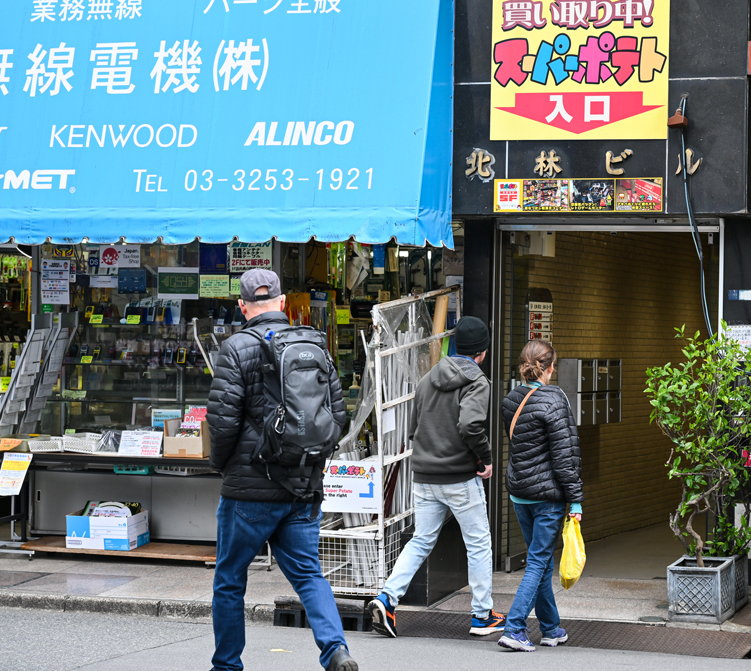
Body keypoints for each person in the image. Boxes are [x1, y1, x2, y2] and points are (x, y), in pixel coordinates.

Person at [207, 269, 356, 671]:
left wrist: (222, 466)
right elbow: (337, 414)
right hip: (302, 486)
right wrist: (309, 459)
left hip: (249, 491)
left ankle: (227, 666)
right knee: (309, 575)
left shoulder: (236, 348)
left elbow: (222, 422)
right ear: (284, 303)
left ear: (242, 307)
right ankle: (335, 649)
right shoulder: (314, 344)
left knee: (230, 580)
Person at [367, 315, 505, 638]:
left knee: (421, 540)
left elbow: (413, 427)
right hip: (459, 477)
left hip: (424, 475)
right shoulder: (477, 381)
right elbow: (470, 425)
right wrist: (485, 459)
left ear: (455, 345)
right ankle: (482, 615)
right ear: (482, 352)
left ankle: (387, 599)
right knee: (478, 543)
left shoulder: (428, 377)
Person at [497, 339, 583, 652]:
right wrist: (575, 499)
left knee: (542, 561)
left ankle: (550, 628)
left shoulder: (511, 399)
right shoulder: (554, 399)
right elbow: (565, 456)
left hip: (520, 494)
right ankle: (514, 628)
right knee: (537, 561)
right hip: (547, 497)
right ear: (549, 368)